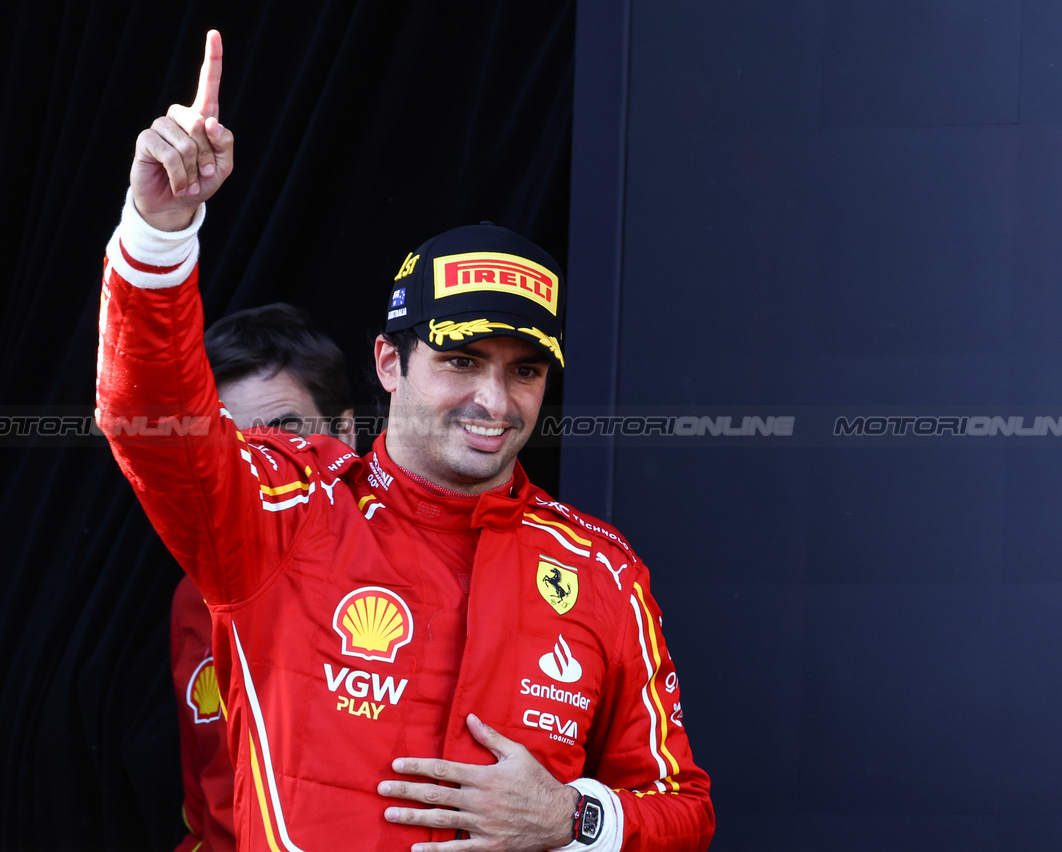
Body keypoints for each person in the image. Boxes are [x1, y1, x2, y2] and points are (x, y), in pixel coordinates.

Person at [98, 30, 713, 851]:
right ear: (388, 361)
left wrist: (574, 817)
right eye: (461, 360)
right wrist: (160, 230)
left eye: (525, 371)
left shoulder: (601, 570)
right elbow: (151, 418)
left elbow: (681, 807)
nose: (494, 401)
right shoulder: (286, 512)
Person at [171, 304, 355, 852]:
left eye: (285, 430)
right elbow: (207, 804)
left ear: (345, 432)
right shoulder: (193, 593)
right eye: (234, 437)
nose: (261, 461)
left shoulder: (418, 568)